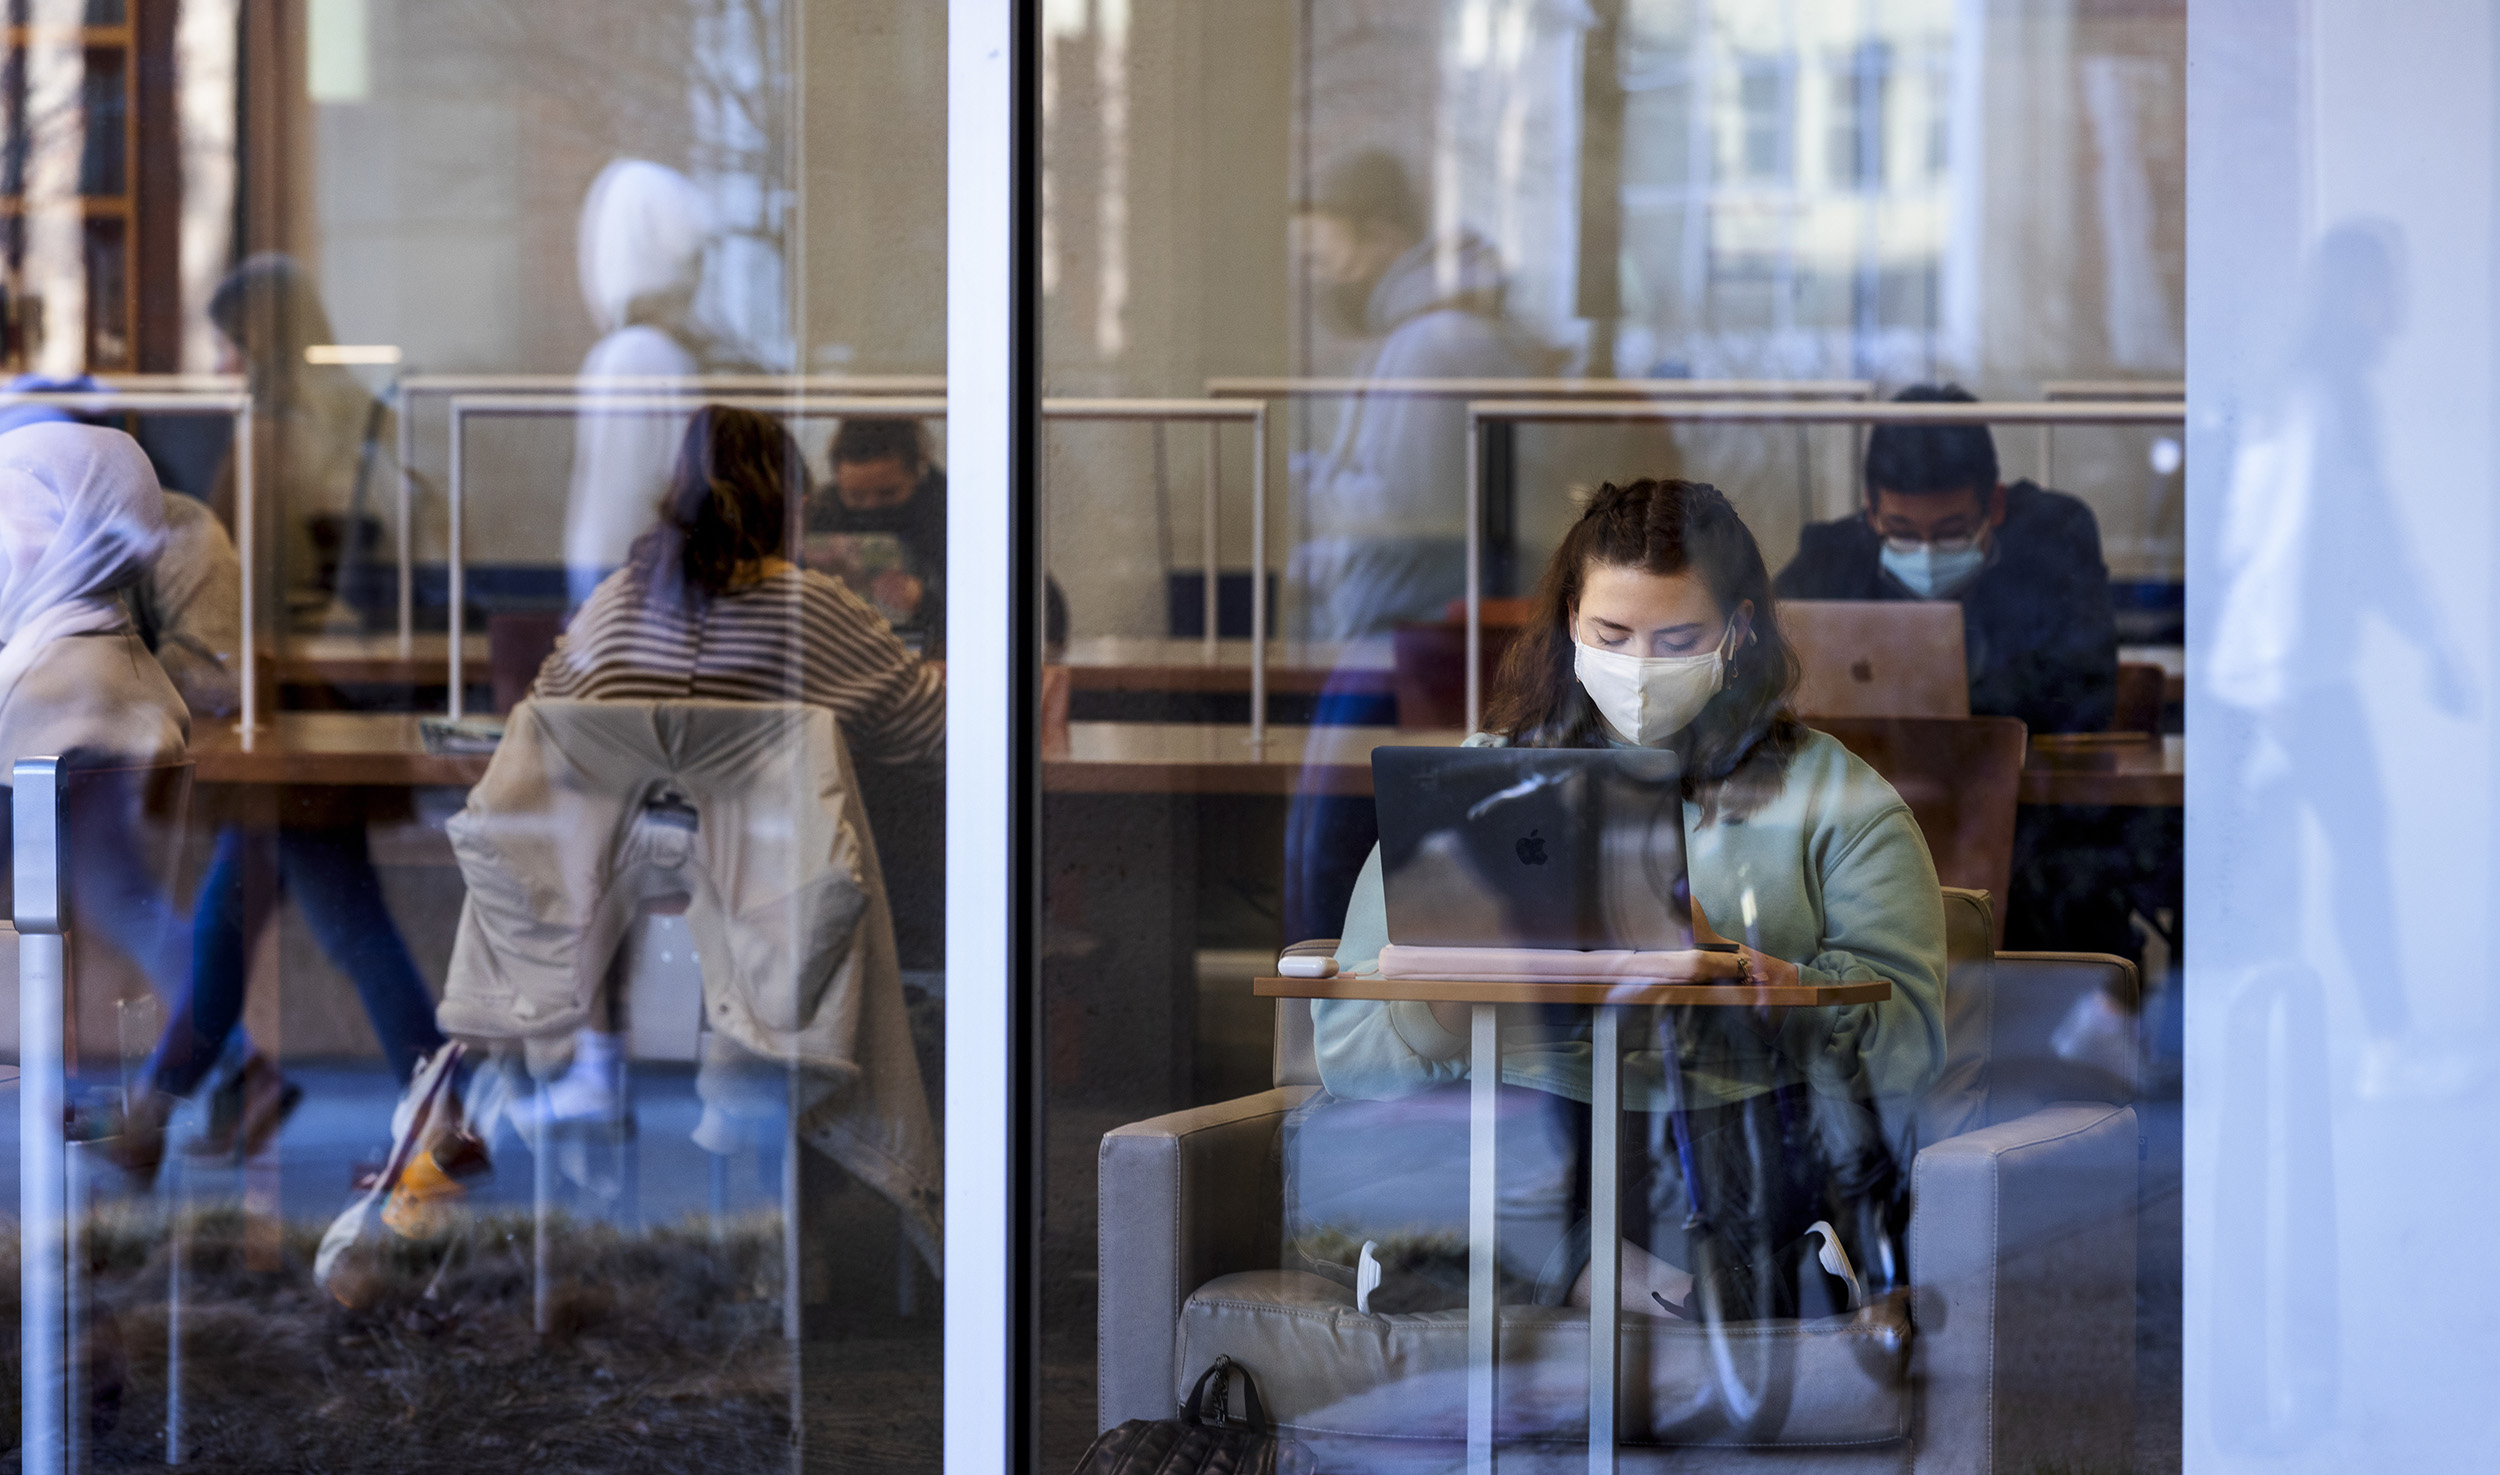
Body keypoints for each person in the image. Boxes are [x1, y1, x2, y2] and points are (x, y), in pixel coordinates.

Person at [1289, 478, 1945, 1317]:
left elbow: (1913, 1046)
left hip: (1718, 1124)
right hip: (1527, 1119)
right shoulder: (1478, 781)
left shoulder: (1838, 800)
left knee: (1781, 1163)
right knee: (1326, 1153)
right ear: (1570, 624)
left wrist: (1751, 978)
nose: (1640, 668)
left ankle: (1536, 1266)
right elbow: (1349, 1051)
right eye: (1612, 633)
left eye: (1677, 638)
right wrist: (1447, 1006)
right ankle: (1655, 1285)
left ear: (1738, 632)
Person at [511, 403, 946, 1129]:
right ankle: (804, 1083)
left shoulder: (619, 601)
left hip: (632, 868)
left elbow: (546, 719)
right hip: (782, 876)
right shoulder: (813, 608)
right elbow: (929, 732)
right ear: (794, 510)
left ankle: (597, 1066)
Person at [1291, 149, 1545, 641]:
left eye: (1324, 257)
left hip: (1415, 637)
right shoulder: (1427, 336)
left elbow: (1410, 517)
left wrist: (1295, 485)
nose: (1320, 278)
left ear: (1383, 237)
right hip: (1418, 622)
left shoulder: (1432, 345)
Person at [1773, 383, 2119, 736]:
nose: (1926, 551)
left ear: (1995, 505)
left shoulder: (2054, 542)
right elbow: (1764, 665)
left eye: (1951, 532)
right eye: (1901, 531)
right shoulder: (1830, 557)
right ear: (1871, 511)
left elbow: (2085, 695)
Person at [563, 158, 727, 607]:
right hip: (639, 602)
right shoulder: (640, 358)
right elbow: (630, 500)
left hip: (635, 598)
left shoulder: (641, 355)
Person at [206, 254, 396, 630]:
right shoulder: (370, 414)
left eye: (225, 347)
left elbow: (220, 569)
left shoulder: (265, 438)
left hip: (294, 651)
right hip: (367, 633)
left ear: (257, 347)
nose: (218, 367)